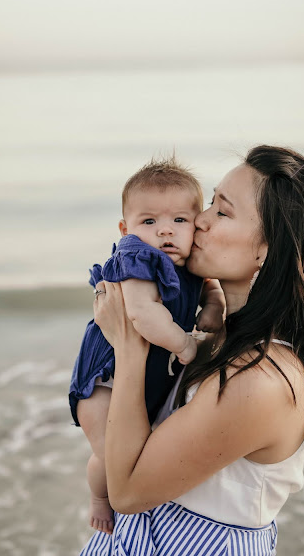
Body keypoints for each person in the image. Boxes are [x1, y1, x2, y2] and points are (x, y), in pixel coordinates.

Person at [80, 145, 304, 556]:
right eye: (209, 202)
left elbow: (127, 492)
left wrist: (129, 347)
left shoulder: (262, 379)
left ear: (266, 250)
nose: (197, 220)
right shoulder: (219, 335)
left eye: (222, 211)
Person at [69, 156, 225, 535]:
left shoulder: (192, 264)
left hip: (146, 371)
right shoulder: (138, 258)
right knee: (111, 453)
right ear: (127, 228)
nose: (165, 232)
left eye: (179, 221)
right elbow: (142, 315)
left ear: (196, 225)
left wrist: (215, 305)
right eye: (149, 222)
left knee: (144, 446)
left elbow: (211, 288)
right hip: (104, 377)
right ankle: (101, 498)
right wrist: (187, 347)